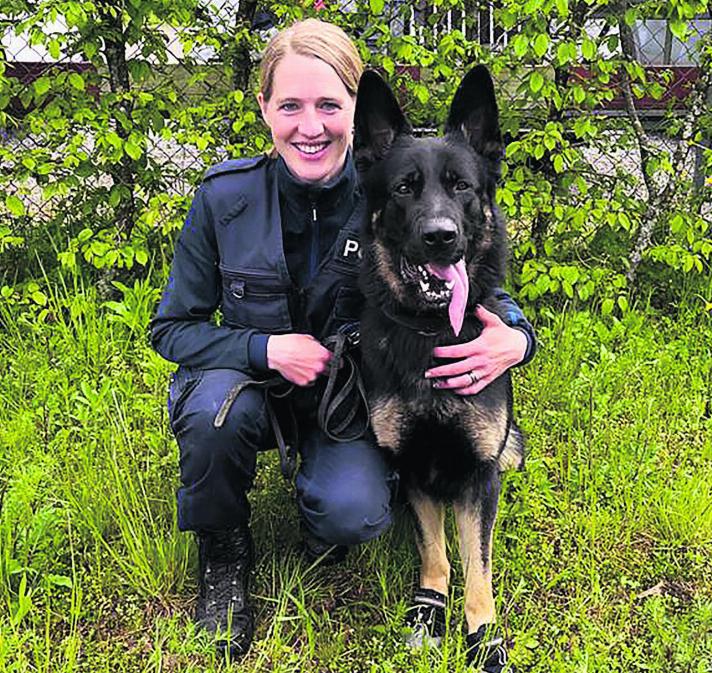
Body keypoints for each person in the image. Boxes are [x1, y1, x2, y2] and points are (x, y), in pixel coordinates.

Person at [150, 18, 537, 659]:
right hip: (251, 385)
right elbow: (171, 328)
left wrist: (517, 338)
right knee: (214, 414)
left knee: (353, 513)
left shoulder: (391, 181)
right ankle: (223, 555)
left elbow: (470, 267)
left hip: (343, 397)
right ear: (265, 109)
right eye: (291, 105)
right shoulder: (224, 199)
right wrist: (265, 349)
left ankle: (322, 516)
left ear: (356, 116)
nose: (310, 125)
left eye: (329, 104)